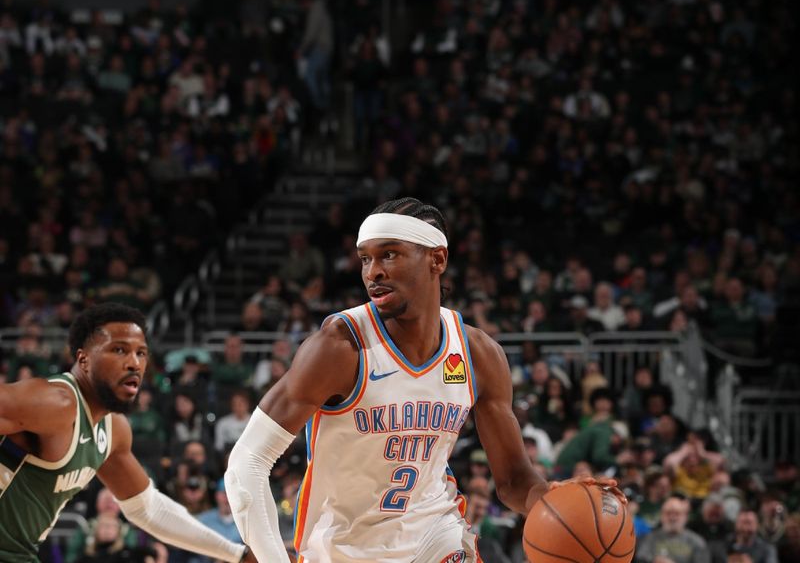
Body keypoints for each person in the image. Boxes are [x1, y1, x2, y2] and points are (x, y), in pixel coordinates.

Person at [225, 197, 622, 562]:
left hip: (437, 536)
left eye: (390, 255)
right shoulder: (339, 347)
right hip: (344, 550)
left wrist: (554, 497)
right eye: (365, 259)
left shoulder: (478, 355)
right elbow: (248, 462)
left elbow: (515, 478)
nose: (373, 271)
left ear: (437, 259)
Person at [0, 303, 254, 563]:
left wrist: (238, 553)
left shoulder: (113, 430)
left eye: (141, 353)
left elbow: (149, 510)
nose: (134, 363)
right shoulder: (55, 402)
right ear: (83, 359)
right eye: (119, 349)